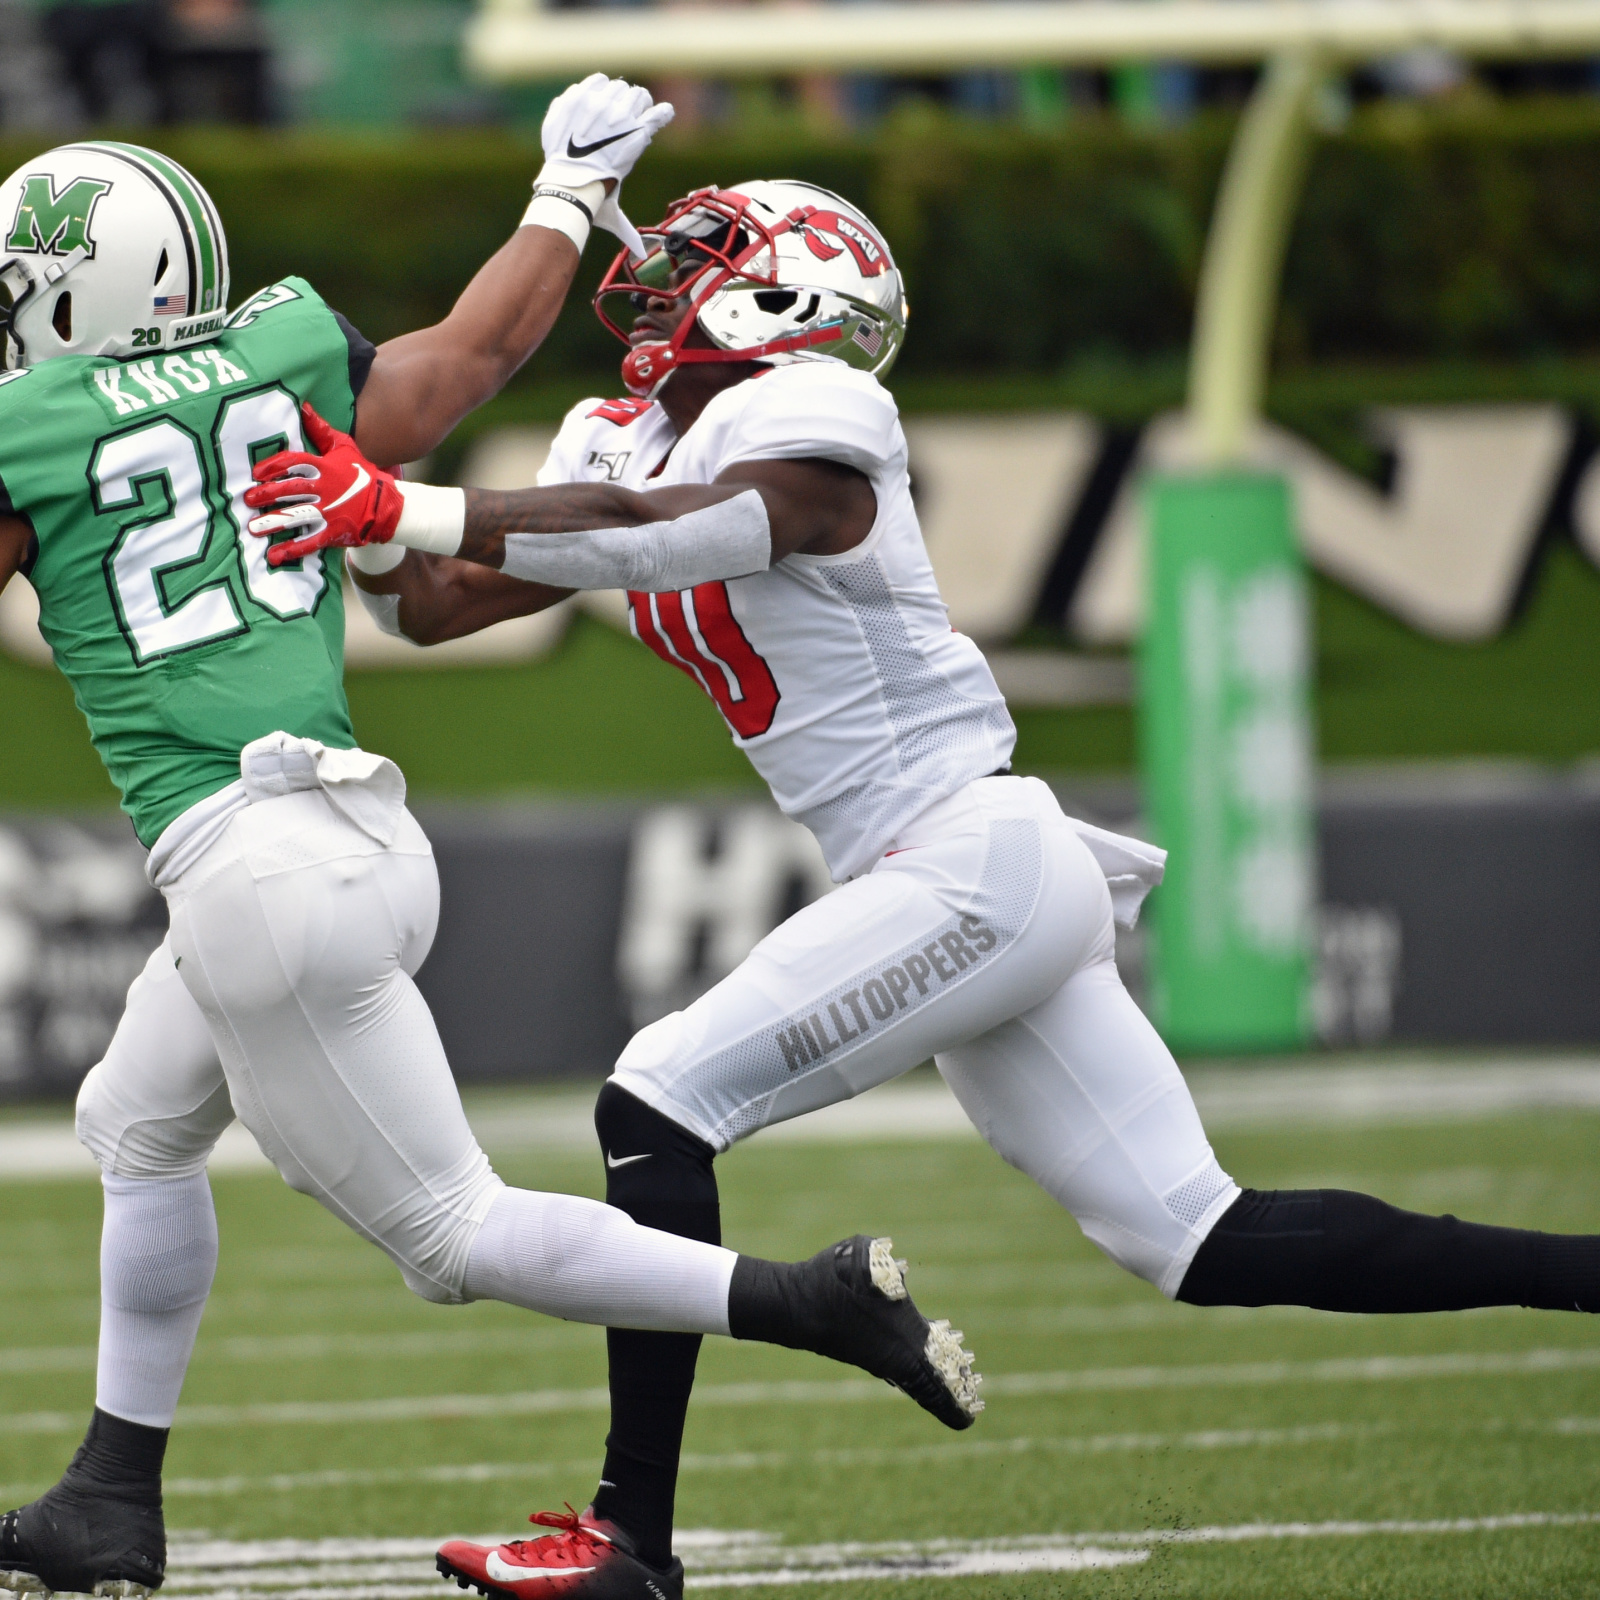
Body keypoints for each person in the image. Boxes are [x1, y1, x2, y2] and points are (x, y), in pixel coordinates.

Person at [252, 177, 1600, 1600]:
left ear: (791, 301)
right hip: (959, 878)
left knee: (656, 1099)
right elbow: (437, 602)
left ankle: (629, 1539)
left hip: (971, 857)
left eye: (707, 257)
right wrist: (361, 504)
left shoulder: (819, 417)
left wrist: (411, 498)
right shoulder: (628, 437)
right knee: (1197, 1236)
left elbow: (708, 528)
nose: (661, 277)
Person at [0, 118, 984, 1600]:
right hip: (353, 835)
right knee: (136, 1122)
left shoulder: (28, 433)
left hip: (249, 875)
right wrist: (568, 195)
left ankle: (810, 1299)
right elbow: (466, 360)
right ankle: (107, 1495)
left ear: (72, 295)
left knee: (455, 1238)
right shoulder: (277, 346)